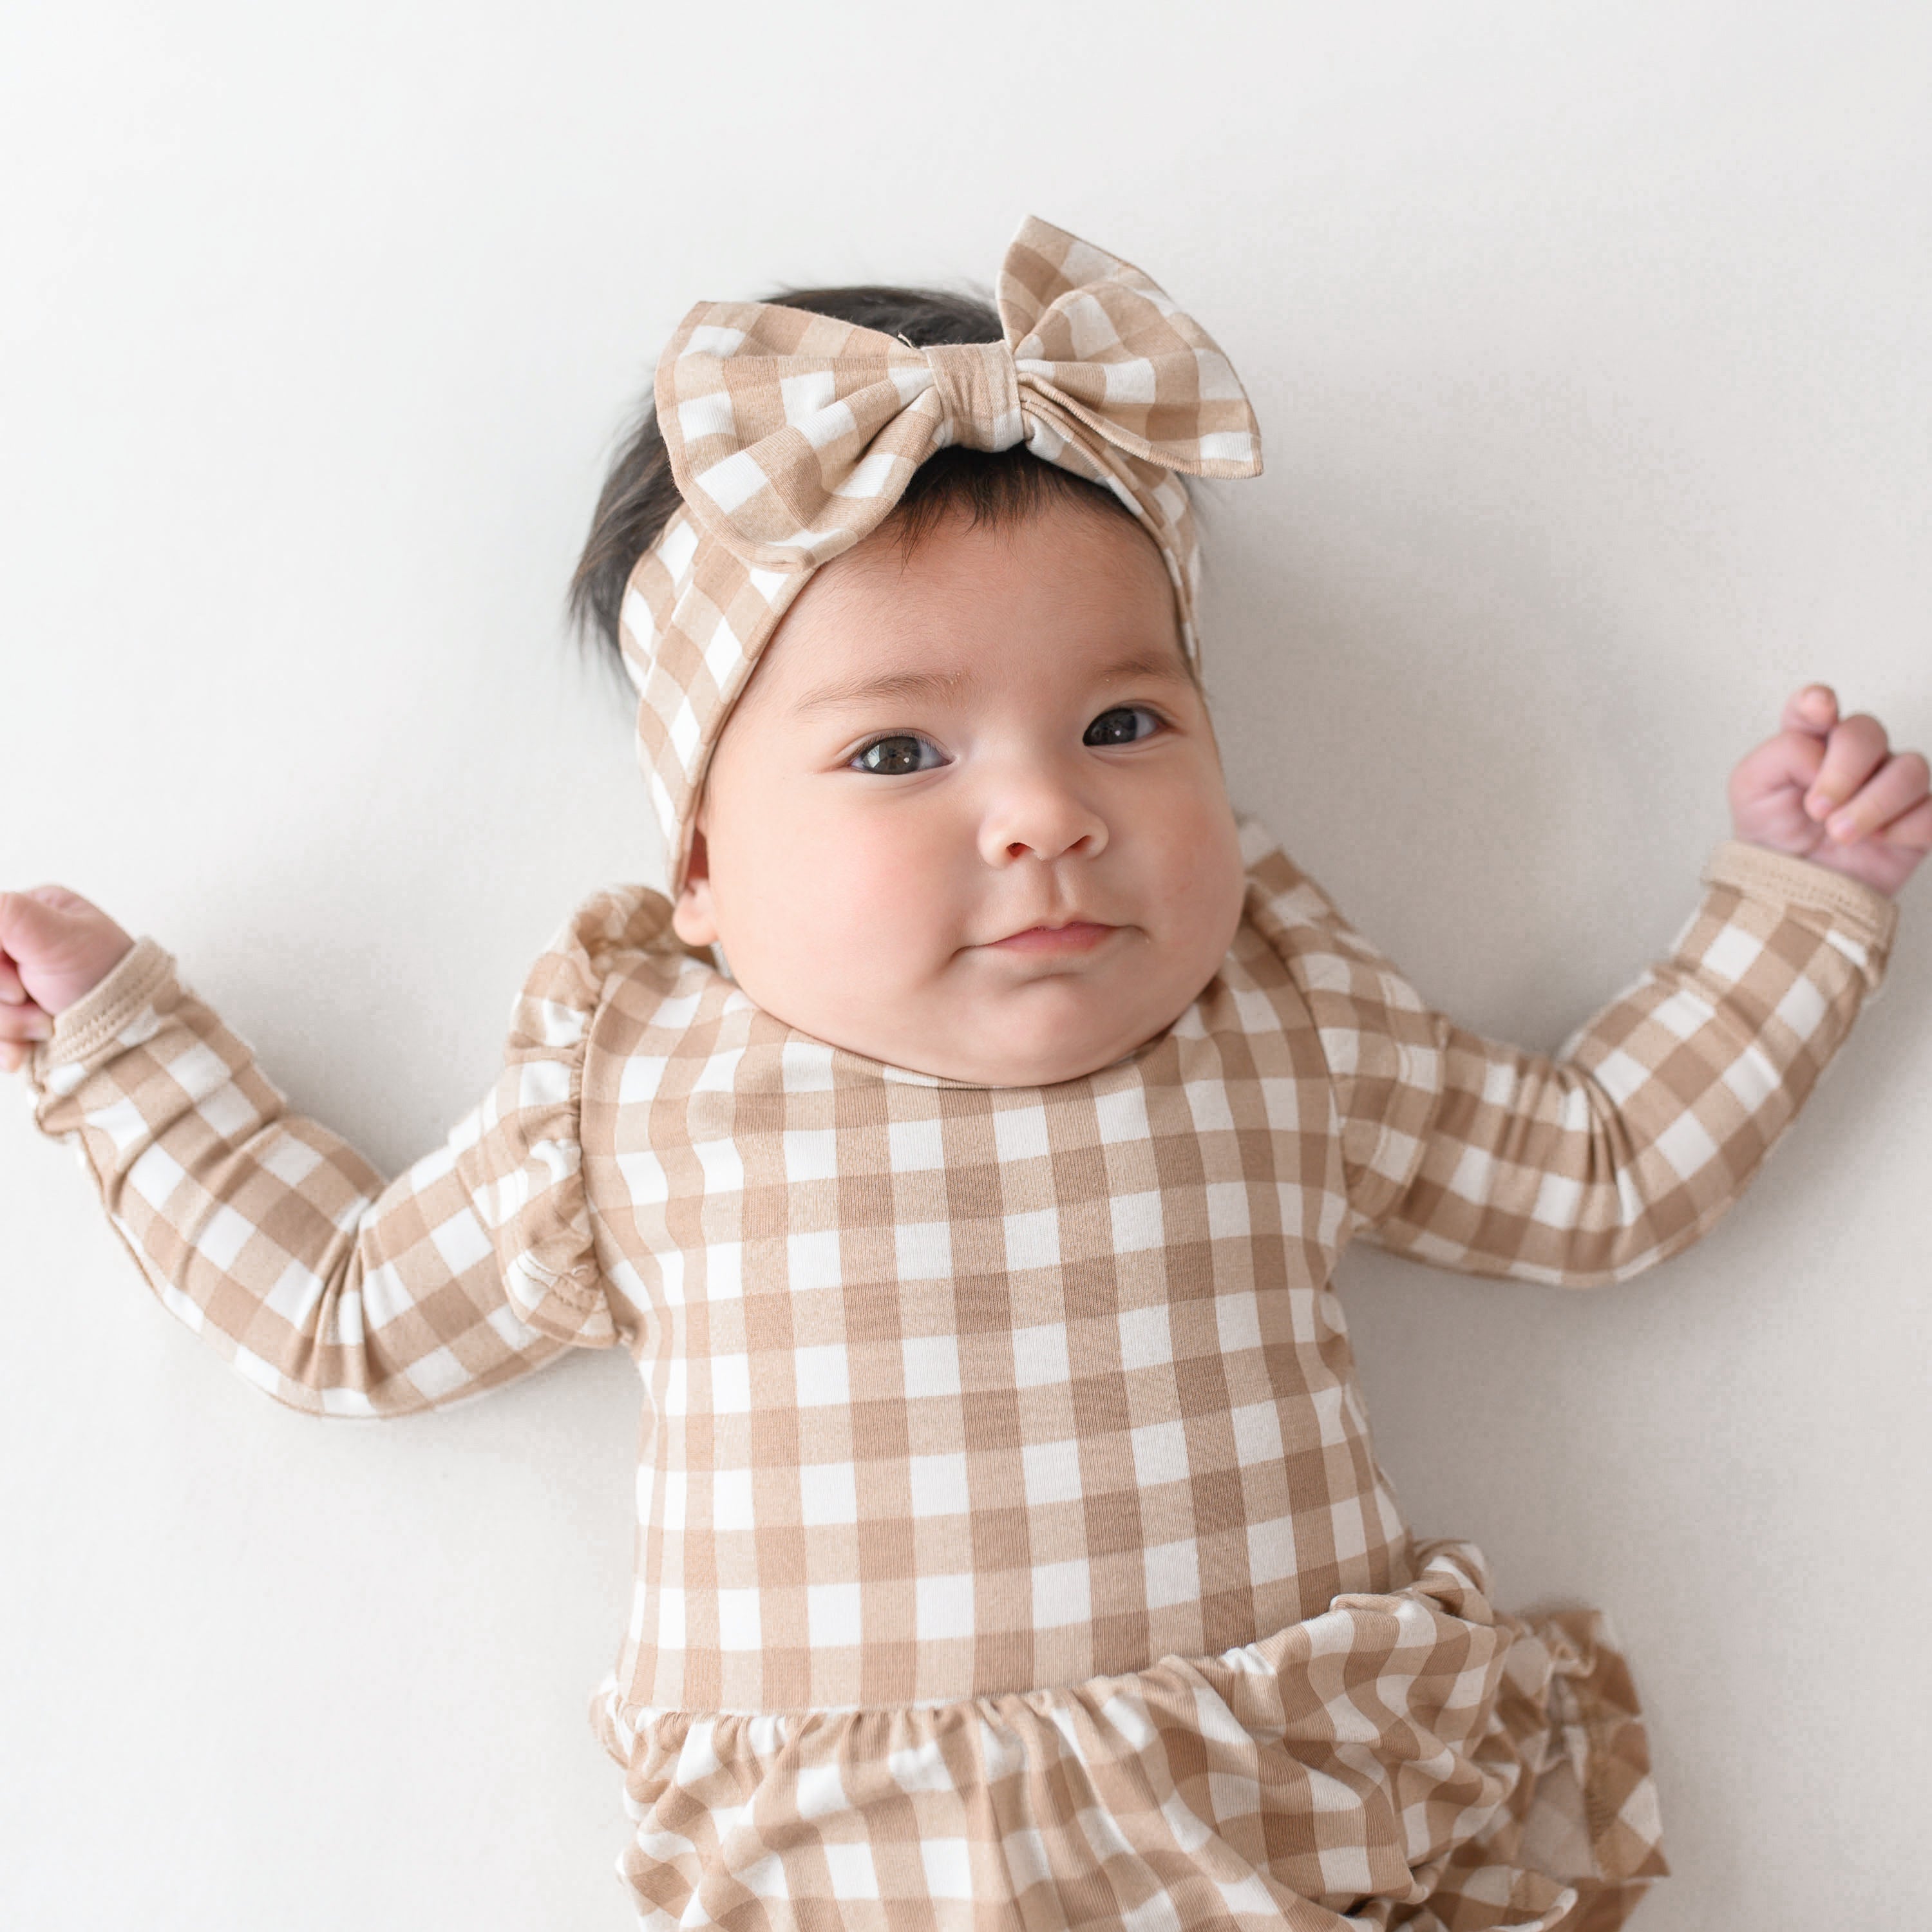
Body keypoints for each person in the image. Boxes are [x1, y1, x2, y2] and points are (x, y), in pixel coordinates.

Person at [3, 216, 1925, 1931]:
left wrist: (1799, 902)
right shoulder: (634, 1089)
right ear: (696, 861)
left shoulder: (1274, 1014)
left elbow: (1591, 1178)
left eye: (1120, 721)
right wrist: (121, 1043)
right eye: (900, 754)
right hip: (858, 1876)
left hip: (1289, 1830)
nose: (1047, 817)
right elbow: (344, 1311)